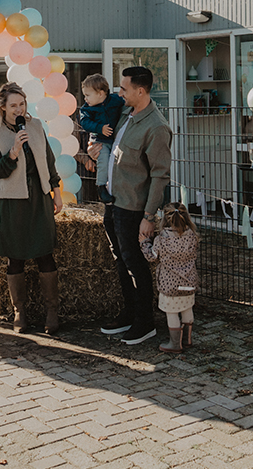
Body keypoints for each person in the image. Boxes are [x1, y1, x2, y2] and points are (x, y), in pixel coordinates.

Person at [95, 66, 173, 347]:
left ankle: (145, 322)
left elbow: (160, 175)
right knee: (121, 260)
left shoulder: (157, 127)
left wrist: (149, 216)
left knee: (135, 264)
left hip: (134, 208)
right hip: (114, 202)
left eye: (124, 88)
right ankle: (129, 313)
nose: (119, 93)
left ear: (141, 91)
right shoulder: (127, 115)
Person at [0, 82, 63, 335]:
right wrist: (14, 151)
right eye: (13, 105)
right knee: (15, 258)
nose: (19, 110)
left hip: (39, 198)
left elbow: (49, 161)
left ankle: (52, 310)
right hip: (12, 200)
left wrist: (56, 192)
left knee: (45, 254)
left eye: (22, 104)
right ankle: (20, 311)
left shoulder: (36, 126)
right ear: (3, 108)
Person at [139, 203, 199, 353]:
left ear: (164, 220)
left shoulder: (162, 239)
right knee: (187, 309)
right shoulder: (192, 235)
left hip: (170, 284)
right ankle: (187, 339)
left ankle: (174, 343)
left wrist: (144, 242)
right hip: (189, 282)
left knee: (172, 312)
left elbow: (151, 257)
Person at [79, 74, 124, 203]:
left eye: (87, 95)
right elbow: (85, 123)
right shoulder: (86, 109)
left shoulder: (114, 100)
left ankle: (114, 187)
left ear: (100, 93)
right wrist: (99, 127)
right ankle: (101, 186)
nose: (85, 98)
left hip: (115, 140)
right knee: (103, 161)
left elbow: (124, 103)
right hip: (99, 141)